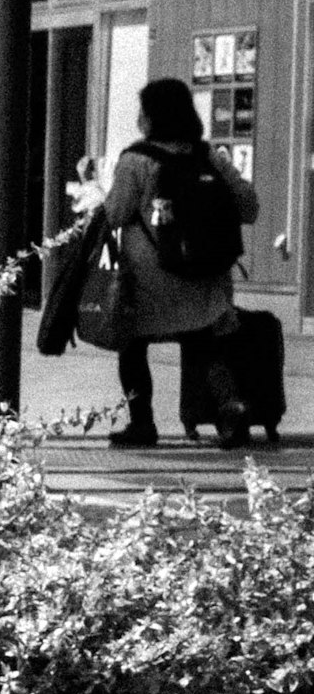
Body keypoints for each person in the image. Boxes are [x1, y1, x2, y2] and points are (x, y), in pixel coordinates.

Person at [97, 77, 263, 450]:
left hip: (151, 279)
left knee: (133, 347)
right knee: (205, 345)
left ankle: (142, 424)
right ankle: (231, 406)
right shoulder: (210, 158)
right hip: (206, 276)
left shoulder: (136, 160)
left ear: (152, 116)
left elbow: (116, 213)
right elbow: (249, 208)